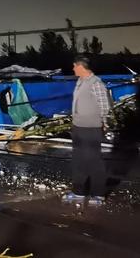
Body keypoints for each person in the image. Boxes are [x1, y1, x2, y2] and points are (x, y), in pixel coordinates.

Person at [63, 56, 111, 205]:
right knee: (79, 161)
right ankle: (79, 191)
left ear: (81, 67)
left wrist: (104, 123)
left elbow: (105, 106)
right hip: (78, 126)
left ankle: (99, 194)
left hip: (91, 128)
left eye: (74, 66)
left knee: (94, 161)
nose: (73, 69)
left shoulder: (96, 83)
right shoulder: (80, 81)